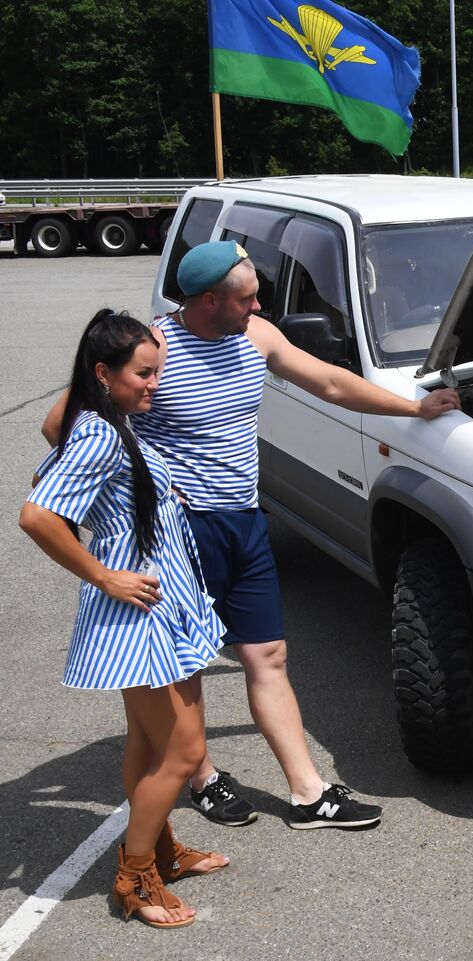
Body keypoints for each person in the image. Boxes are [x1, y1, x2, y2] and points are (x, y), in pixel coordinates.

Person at [43, 241, 461, 830]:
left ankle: (308, 794)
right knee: (186, 664)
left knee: (267, 653)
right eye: (248, 297)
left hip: (244, 520)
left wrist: (413, 411)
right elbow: (59, 424)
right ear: (210, 300)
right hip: (182, 533)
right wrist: (136, 483)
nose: (260, 304)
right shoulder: (154, 347)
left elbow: (332, 384)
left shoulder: (256, 337)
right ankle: (203, 778)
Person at [21, 310, 229, 928]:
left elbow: (53, 450)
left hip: (165, 604)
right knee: (185, 749)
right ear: (103, 374)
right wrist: (103, 573)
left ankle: (160, 849)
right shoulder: (98, 433)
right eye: (143, 373)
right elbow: (38, 515)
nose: (154, 385)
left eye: (158, 371)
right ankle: (135, 876)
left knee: (147, 740)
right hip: (136, 608)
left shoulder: (108, 422)